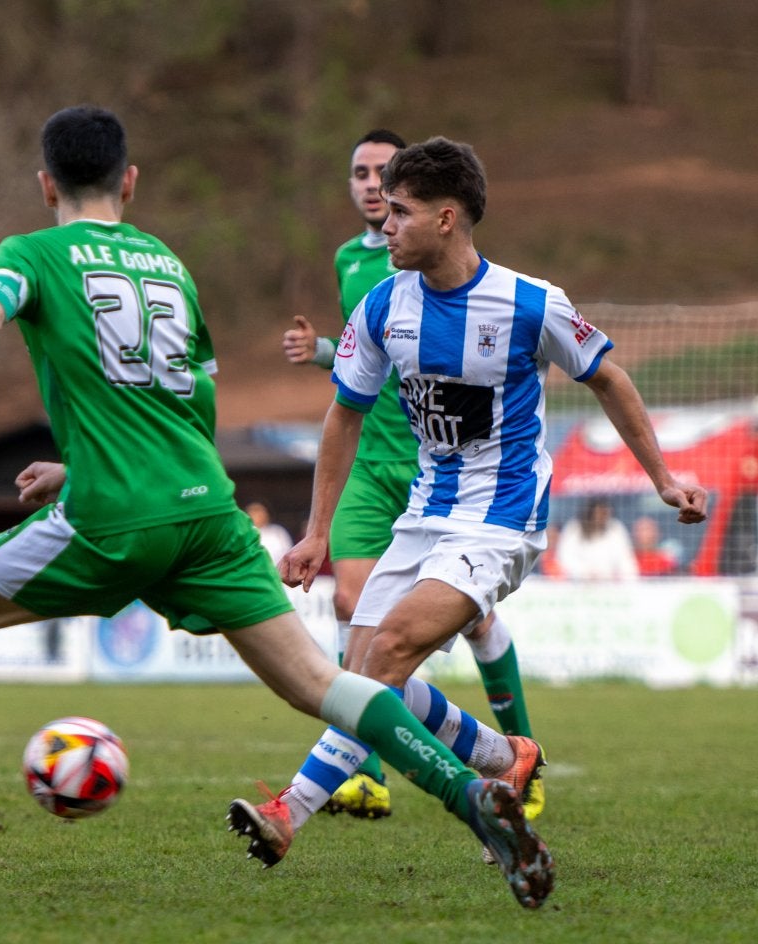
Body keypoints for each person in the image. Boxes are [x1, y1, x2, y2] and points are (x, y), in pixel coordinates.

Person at [0, 106, 553, 909]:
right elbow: (190, 401)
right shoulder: (169, 266)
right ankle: (471, 796)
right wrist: (81, 467)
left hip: (114, 515)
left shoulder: (31, 254)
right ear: (129, 183)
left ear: (45, 185)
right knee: (323, 678)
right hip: (208, 512)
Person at [240, 136, 707, 872]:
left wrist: (663, 478)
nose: (384, 225)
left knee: (386, 654)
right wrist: (317, 532)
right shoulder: (380, 306)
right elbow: (344, 416)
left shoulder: (530, 302)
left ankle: (286, 812)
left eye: (400, 212)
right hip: (423, 513)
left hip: (502, 516)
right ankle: (502, 754)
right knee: (355, 678)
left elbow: (608, 377)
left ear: (447, 218)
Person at [280, 130, 541, 820]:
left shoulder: (491, 286)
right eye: (359, 173)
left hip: (458, 474)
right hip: (378, 463)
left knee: (463, 625)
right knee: (360, 623)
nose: (370, 187)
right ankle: (364, 772)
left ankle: (514, 753)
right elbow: (364, 359)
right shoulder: (352, 262)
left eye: (382, 176)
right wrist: (321, 354)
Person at [554, 497, 640, 580]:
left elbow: (626, 561)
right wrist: (584, 573)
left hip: (609, 586)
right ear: (590, 513)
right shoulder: (574, 529)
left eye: (606, 513)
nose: (603, 517)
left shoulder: (615, 529)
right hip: (577, 584)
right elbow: (564, 558)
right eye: (600, 513)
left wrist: (631, 583)